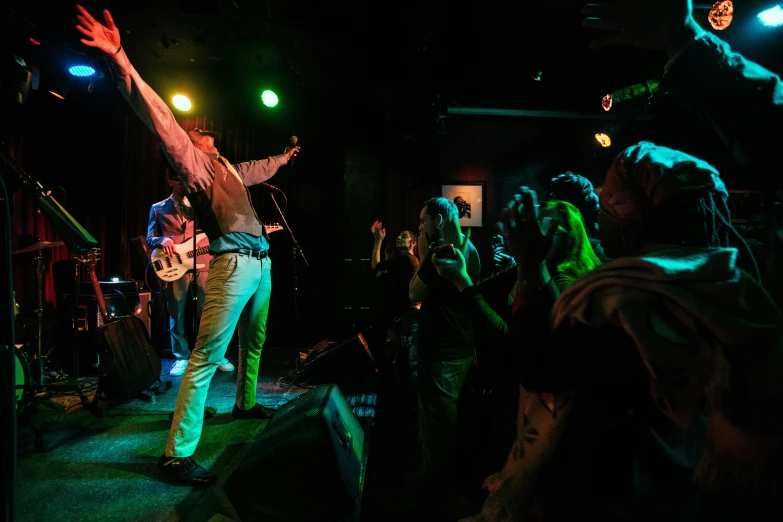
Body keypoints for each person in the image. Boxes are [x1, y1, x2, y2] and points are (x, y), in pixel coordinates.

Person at [466, 143, 783, 522]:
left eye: (607, 205)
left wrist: (530, 268)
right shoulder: (721, 284)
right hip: (678, 487)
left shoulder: (633, 297)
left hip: (612, 495)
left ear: (630, 216)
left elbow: (542, 368)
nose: (599, 216)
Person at [75, 5, 300, 486]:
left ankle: (245, 402)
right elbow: (160, 119)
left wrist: (285, 155)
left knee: (253, 341)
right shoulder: (196, 169)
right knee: (204, 356)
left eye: (203, 136)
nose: (198, 137)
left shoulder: (232, 170)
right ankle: (176, 454)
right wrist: (120, 59)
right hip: (233, 266)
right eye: (195, 136)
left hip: (260, 266)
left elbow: (263, 167)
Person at [409, 197, 481, 522]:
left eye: (423, 221)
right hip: (461, 348)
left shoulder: (441, 253)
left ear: (438, 220)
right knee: (446, 426)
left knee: (435, 432)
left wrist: (424, 254)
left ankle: (435, 503)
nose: (420, 227)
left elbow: (414, 292)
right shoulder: (470, 246)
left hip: (440, 352)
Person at [146, 168, 234, 377]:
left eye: (185, 180)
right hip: (175, 266)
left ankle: (213, 355)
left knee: (209, 311)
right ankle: (181, 356)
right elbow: (149, 238)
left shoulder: (200, 205)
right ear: (169, 181)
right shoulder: (158, 208)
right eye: (178, 180)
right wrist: (162, 239)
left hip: (204, 262)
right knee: (176, 311)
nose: (183, 184)